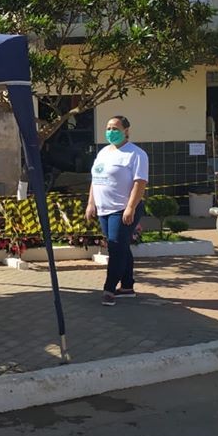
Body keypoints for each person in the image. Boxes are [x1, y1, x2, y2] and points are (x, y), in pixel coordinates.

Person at [86, 115, 149, 307]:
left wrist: (130, 207)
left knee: (115, 249)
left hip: (122, 209)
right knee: (120, 247)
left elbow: (140, 182)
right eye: (108, 128)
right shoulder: (104, 152)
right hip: (104, 209)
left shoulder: (136, 154)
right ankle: (127, 287)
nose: (111, 132)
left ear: (126, 131)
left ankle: (109, 290)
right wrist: (91, 203)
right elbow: (95, 179)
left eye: (115, 128)